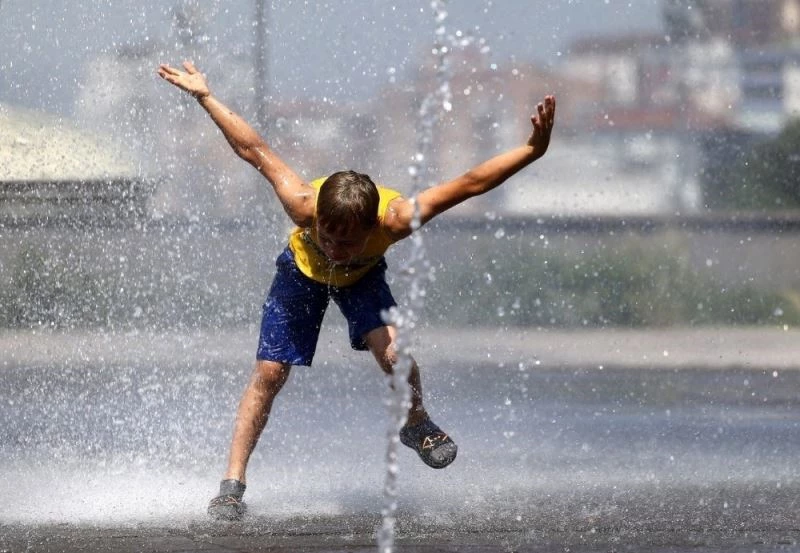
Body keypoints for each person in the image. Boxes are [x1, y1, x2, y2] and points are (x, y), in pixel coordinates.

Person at [157, 60, 556, 521]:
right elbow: (253, 149)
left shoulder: (397, 219)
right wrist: (206, 96)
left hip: (363, 279)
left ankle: (416, 423)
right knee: (269, 372)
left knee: (395, 355)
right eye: (327, 237)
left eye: (347, 242)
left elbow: (469, 184)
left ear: (372, 227)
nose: (335, 249)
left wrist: (531, 150)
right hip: (300, 273)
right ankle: (231, 485)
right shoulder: (303, 204)